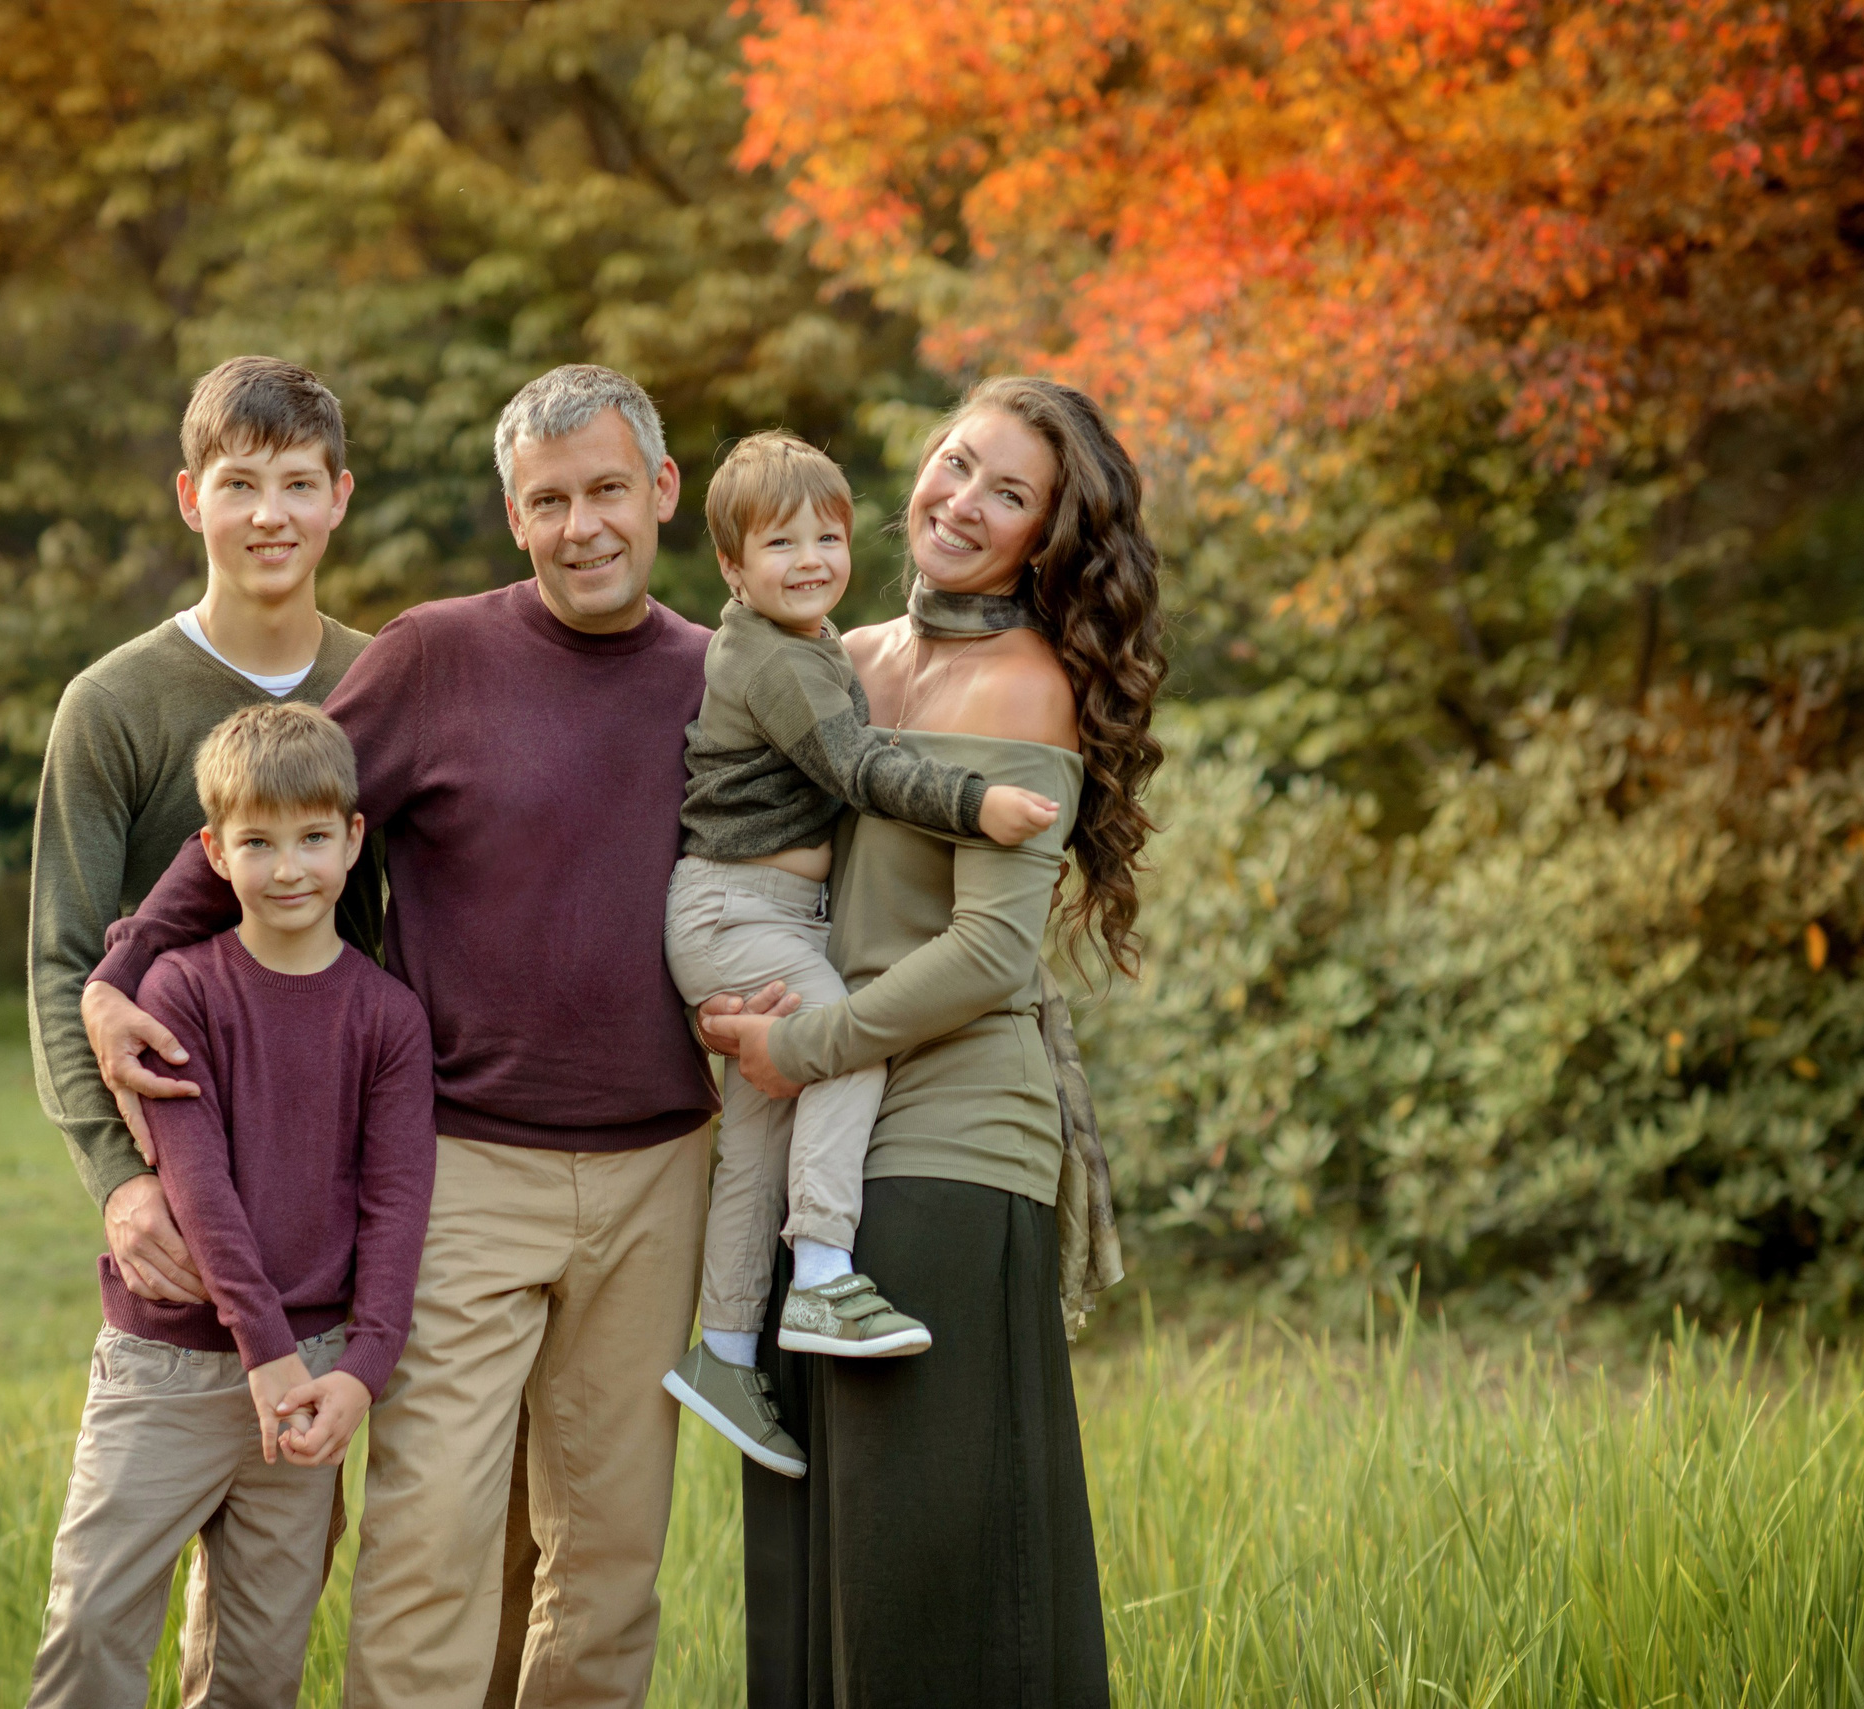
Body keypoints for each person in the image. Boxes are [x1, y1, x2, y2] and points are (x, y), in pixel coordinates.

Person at [81, 364, 725, 1709]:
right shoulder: (436, 655)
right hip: (470, 1163)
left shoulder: (722, 681)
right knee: (429, 1540)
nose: (584, 524)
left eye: (610, 489)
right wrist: (122, 969)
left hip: (665, 1167)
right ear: (514, 514)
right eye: (550, 501)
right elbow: (274, 809)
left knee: (608, 1556)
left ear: (661, 492)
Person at [703, 377, 1166, 1708]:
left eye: (1007, 493)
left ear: (1047, 541)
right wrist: (716, 997)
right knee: (819, 1561)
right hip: (817, 1159)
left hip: (947, 1152)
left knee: (931, 1575)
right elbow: (746, 860)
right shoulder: (836, 661)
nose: (960, 503)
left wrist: (805, 1047)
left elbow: (991, 955)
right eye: (956, 464)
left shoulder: (1021, 691)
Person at [660, 430, 1062, 1478]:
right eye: (779, 541)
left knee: (757, 1133)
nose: (808, 558)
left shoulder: (826, 648)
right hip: (745, 912)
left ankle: (726, 1345)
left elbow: (991, 949)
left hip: (771, 934)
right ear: (733, 570)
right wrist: (979, 804)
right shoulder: (806, 661)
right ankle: (824, 1270)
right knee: (840, 1046)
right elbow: (862, 768)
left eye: (825, 537)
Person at [26, 702, 435, 1709]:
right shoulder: (179, 989)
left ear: (352, 839)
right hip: (167, 1366)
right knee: (91, 1631)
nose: (288, 867)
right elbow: (199, 1191)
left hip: (312, 1381)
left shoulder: (386, 1014)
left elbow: (396, 1203)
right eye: (257, 841)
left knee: (256, 1670)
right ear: (213, 851)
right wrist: (266, 1351)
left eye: (311, 838)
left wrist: (362, 1369)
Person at [28, 356, 378, 1307]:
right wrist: (120, 1181)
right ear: (191, 498)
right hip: (185, 1170)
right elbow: (64, 963)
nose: (272, 516)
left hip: (346, 1173)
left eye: (300, 484)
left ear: (339, 498)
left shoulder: (382, 684)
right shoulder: (111, 704)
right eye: (240, 486)